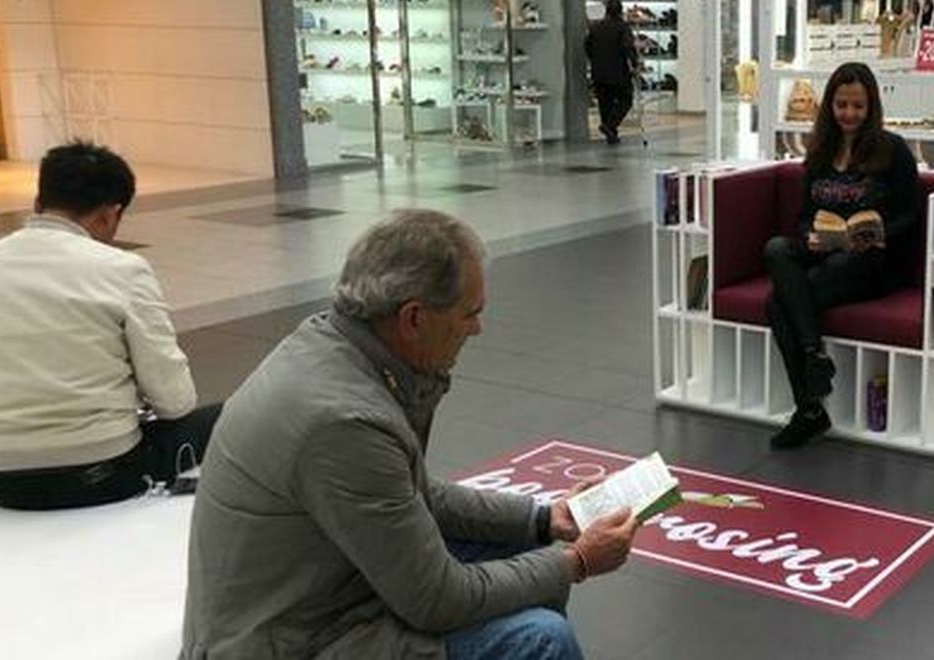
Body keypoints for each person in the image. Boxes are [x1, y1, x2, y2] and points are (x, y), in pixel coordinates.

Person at [181, 209, 638, 660]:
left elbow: (409, 496)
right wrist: (576, 561)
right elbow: (438, 600)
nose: (477, 329)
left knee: (522, 547)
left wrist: (544, 518)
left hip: (313, 597)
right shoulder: (343, 422)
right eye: (469, 313)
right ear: (414, 318)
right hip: (290, 640)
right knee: (540, 639)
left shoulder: (332, 345)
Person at [0, 141, 215, 510]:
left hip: (0, 479)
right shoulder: (122, 270)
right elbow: (175, 401)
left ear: (39, 201)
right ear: (109, 215)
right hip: (103, 473)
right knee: (232, 416)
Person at [763, 62, 918, 449]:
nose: (849, 114)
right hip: (826, 253)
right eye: (842, 105)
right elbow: (802, 216)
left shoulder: (892, 150)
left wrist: (879, 233)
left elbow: (910, 214)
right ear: (830, 105)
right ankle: (814, 356)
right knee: (777, 248)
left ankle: (809, 410)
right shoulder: (819, 151)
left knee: (776, 304)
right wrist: (810, 236)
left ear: (871, 107)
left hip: (871, 262)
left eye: (858, 107)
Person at [585, 0, 639, 144]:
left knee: (605, 102)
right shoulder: (623, 27)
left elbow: (587, 46)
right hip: (618, 72)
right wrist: (635, 64)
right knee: (625, 100)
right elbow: (628, 47)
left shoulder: (596, 28)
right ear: (620, 11)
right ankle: (609, 126)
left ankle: (611, 133)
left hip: (599, 72)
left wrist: (595, 60)